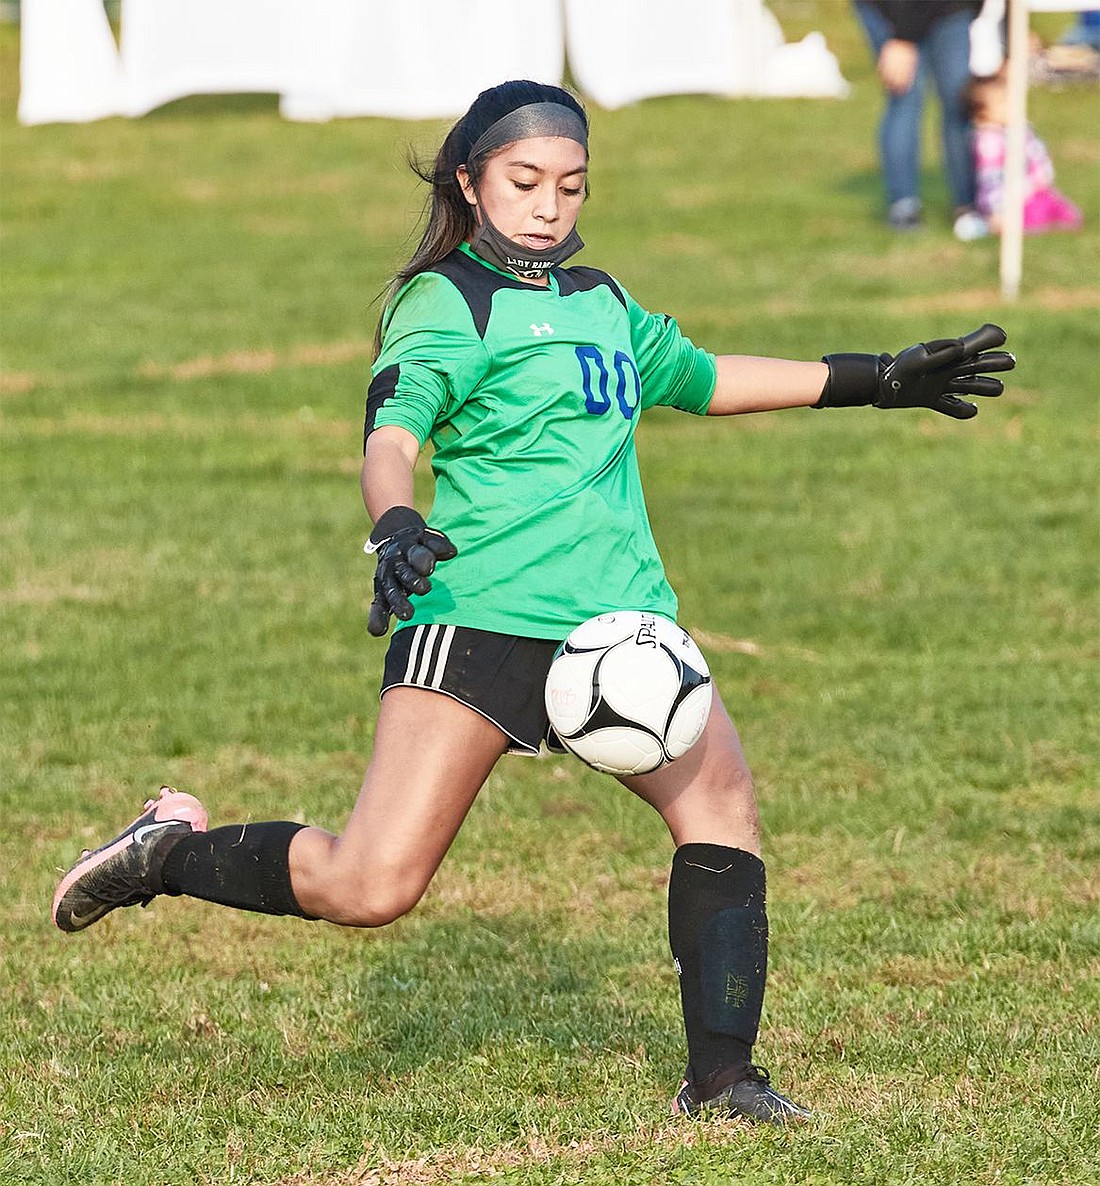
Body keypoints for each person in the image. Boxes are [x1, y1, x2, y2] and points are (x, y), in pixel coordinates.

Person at [51, 79, 1016, 1125]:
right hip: (477, 612)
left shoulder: (600, 299)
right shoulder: (444, 301)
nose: (548, 205)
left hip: (618, 629)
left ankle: (722, 1078)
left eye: (570, 184)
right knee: (371, 885)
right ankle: (168, 851)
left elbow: (697, 375)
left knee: (720, 808)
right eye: (522, 182)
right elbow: (391, 432)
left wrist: (875, 377)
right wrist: (394, 523)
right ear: (468, 182)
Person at [854, 0, 989, 239]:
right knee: (904, 98)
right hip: (890, 10)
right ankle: (903, 207)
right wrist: (902, 38)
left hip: (951, 9)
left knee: (959, 102)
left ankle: (969, 205)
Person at [969, 68, 1083, 234]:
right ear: (982, 114)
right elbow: (991, 180)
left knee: (1066, 213)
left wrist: (1041, 175)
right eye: (1002, 102)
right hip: (1010, 199)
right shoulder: (989, 141)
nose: (1010, 106)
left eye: (1009, 99)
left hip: (1037, 189)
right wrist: (1000, 206)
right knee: (1028, 219)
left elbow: (1036, 153)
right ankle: (1001, 224)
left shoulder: (1021, 129)